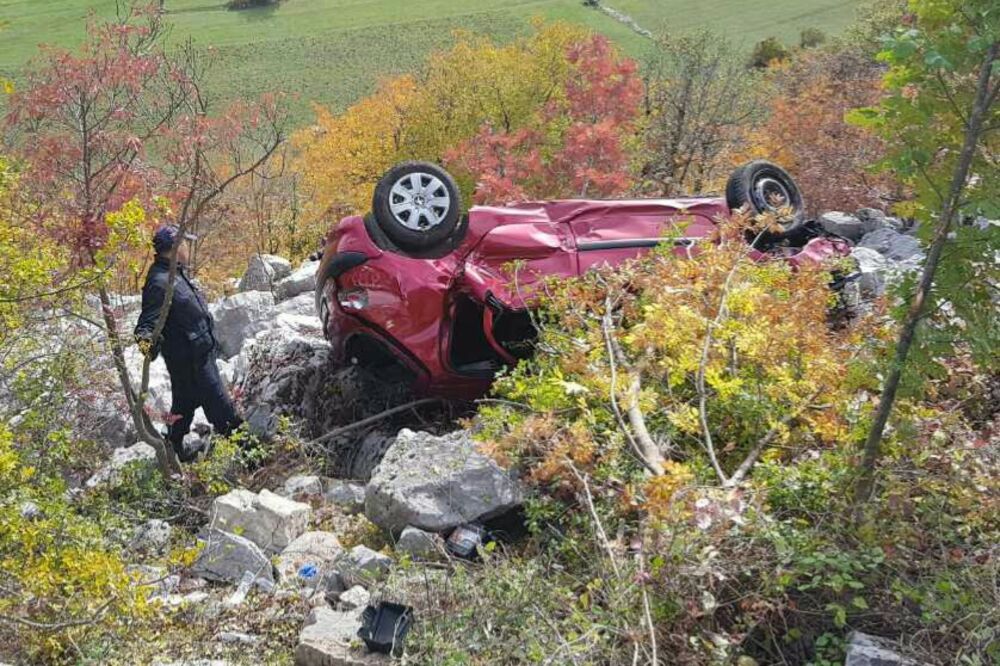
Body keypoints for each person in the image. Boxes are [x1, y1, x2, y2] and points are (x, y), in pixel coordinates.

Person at [134, 225, 243, 462]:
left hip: (197, 358)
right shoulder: (159, 282)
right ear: (173, 248)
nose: (187, 247)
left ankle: (172, 456)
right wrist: (147, 346)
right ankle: (253, 460)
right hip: (193, 365)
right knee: (223, 412)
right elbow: (145, 326)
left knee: (182, 410)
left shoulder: (174, 272)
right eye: (184, 243)